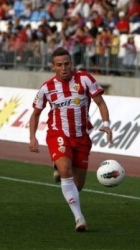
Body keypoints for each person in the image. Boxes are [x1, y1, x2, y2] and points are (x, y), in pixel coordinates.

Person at [29, 47, 113, 232]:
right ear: (53, 67)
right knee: (66, 171)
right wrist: (32, 137)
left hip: (82, 137)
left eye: (67, 64)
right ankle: (79, 218)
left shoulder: (85, 79)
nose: (64, 68)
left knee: (78, 185)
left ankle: (59, 168)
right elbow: (35, 115)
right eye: (59, 65)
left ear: (71, 64)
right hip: (58, 134)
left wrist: (106, 123)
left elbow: (100, 103)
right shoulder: (46, 88)